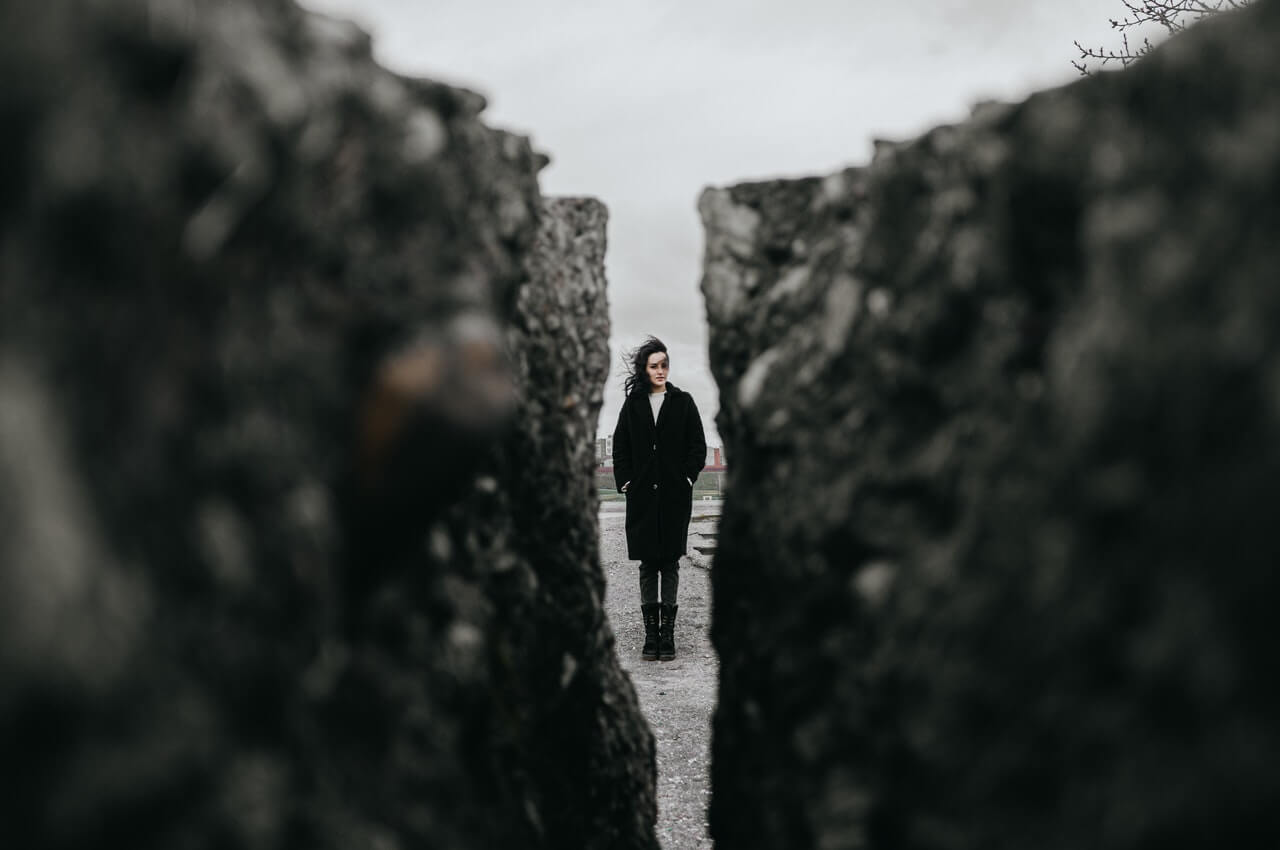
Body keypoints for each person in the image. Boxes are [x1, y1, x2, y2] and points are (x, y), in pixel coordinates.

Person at [611, 336, 707, 661]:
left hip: (674, 496)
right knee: (648, 563)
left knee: (670, 561)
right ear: (644, 369)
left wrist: (688, 478)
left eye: (664, 365)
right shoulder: (633, 405)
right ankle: (650, 636)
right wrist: (625, 480)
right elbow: (620, 446)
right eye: (655, 366)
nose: (661, 370)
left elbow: (697, 445)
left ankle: (668, 636)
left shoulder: (683, 402)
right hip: (642, 497)